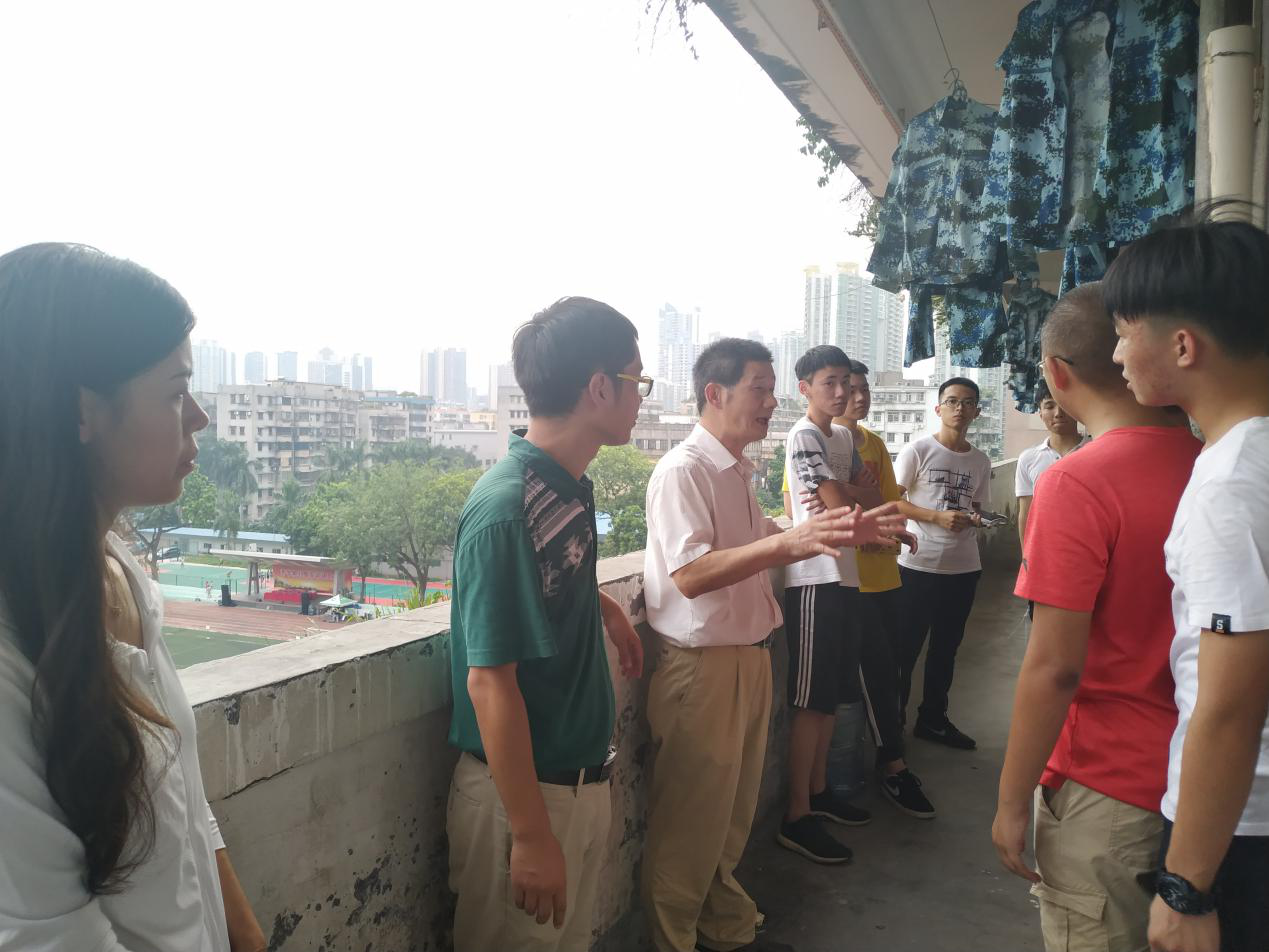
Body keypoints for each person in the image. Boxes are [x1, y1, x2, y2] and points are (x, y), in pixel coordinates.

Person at [0, 243, 265, 951]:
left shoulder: (118, 573)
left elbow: (183, 799)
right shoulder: (11, 653)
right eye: (175, 392)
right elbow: (49, 934)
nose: (199, 417)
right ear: (82, 410)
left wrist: (246, 936)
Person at [642, 338, 904, 952]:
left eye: (770, 389)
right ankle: (675, 940)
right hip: (702, 669)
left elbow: (766, 534)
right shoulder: (684, 470)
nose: (771, 401)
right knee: (691, 824)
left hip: (746, 658)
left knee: (730, 816)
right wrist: (789, 543)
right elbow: (691, 573)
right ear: (715, 393)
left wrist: (851, 529)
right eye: (759, 389)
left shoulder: (735, 470)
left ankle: (723, 927)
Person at [991, 283, 1200, 952]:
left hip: (1108, 786)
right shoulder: (1218, 464)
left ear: (1056, 373)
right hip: (1208, 786)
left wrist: (1010, 800)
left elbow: (1054, 667)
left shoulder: (1075, 481)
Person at [445, 297, 646, 952]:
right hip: (526, 802)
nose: (640, 399)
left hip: (575, 786)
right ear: (599, 388)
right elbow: (489, 682)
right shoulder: (509, 507)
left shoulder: (565, 484)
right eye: (637, 381)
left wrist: (603, 607)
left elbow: (554, 577)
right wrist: (531, 837)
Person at [1105, 212, 1269, 952]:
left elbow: (1229, 703)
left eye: (1123, 332)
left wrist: (1186, 886)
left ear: (1181, 346)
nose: (1116, 353)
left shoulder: (1230, 485)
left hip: (1241, 828)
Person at [778, 345, 880, 864]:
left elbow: (870, 495)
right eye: (828, 383)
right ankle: (797, 815)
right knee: (810, 700)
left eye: (846, 382)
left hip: (847, 575)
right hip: (815, 576)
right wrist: (848, 493)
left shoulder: (843, 438)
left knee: (832, 698)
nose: (841, 393)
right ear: (805, 389)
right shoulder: (803, 435)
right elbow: (841, 507)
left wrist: (845, 492)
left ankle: (819, 793)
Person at [838, 360, 937, 819]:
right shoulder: (815, 443)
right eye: (848, 388)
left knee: (895, 669)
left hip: (888, 575)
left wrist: (883, 519)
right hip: (851, 582)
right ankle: (893, 765)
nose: (857, 397)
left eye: (864, 389)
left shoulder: (874, 443)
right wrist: (862, 503)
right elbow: (807, 509)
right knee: (875, 673)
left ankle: (891, 752)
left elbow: (889, 504)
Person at [893, 377, 993, 750]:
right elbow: (893, 501)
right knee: (905, 650)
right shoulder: (917, 450)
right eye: (951, 401)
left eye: (967, 402)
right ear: (938, 408)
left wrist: (976, 519)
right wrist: (936, 517)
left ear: (976, 411)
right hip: (917, 566)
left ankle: (933, 720)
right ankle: (892, 727)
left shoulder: (980, 460)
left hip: (963, 568)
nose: (959, 408)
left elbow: (977, 507)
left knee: (946, 650)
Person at [1015, 379, 1087, 548]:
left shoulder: (1096, 451)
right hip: (1045, 548)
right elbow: (1025, 513)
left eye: (1064, 403)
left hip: (1089, 546)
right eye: (1049, 406)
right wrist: (1026, 554)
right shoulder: (1028, 458)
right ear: (1040, 413)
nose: (1058, 413)